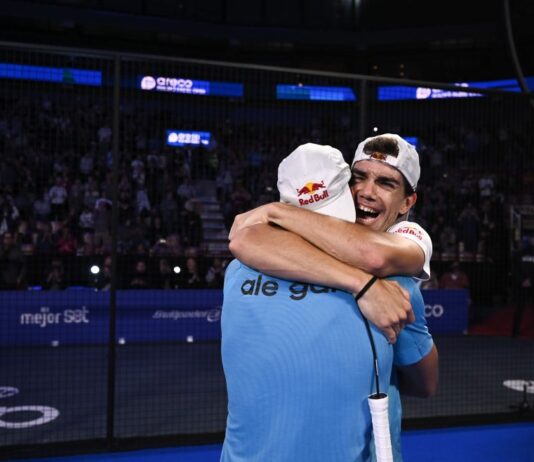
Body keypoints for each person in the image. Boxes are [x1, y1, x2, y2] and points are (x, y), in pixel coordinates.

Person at [229, 134, 438, 461]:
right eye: (358, 178)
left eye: (385, 183)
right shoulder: (392, 287)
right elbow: (423, 382)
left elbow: (373, 255)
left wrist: (275, 212)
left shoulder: (242, 268)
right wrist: (365, 287)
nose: (366, 191)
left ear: (407, 203)